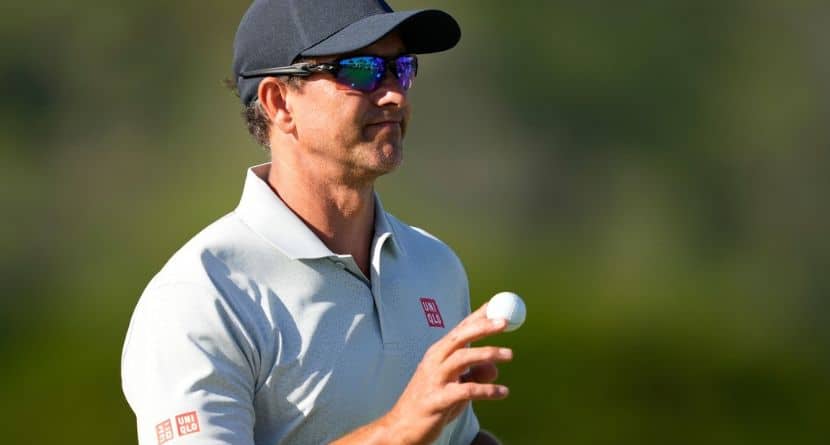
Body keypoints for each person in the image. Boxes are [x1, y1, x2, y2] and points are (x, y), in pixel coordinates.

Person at [121, 1, 512, 444]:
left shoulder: (436, 265)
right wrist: (399, 431)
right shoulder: (201, 295)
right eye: (361, 71)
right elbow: (409, 430)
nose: (395, 95)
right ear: (279, 102)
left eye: (401, 69)